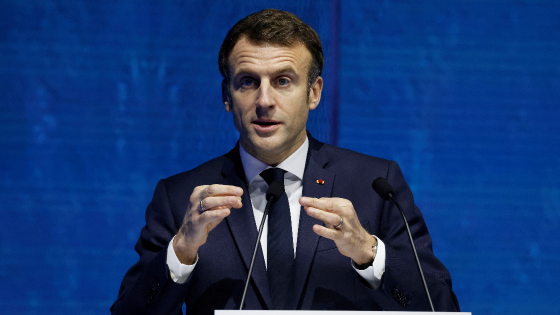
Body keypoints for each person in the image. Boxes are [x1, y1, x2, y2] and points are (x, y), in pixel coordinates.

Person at [111, 9, 460, 314]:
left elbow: (441, 307)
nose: (264, 101)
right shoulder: (181, 198)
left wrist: (370, 255)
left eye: (283, 81)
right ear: (226, 96)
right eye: (248, 82)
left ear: (314, 93)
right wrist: (181, 251)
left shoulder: (375, 186)